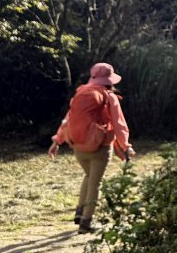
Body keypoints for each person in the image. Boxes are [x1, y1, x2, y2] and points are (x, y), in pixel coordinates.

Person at [48, 62, 135, 233]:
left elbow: (67, 120)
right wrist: (126, 146)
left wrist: (57, 141)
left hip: (78, 147)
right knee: (96, 183)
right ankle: (86, 222)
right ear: (109, 80)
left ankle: (80, 213)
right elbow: (119, 124)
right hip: (100, 147)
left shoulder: (80, 94)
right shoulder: (109, 97)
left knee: (88, 176)